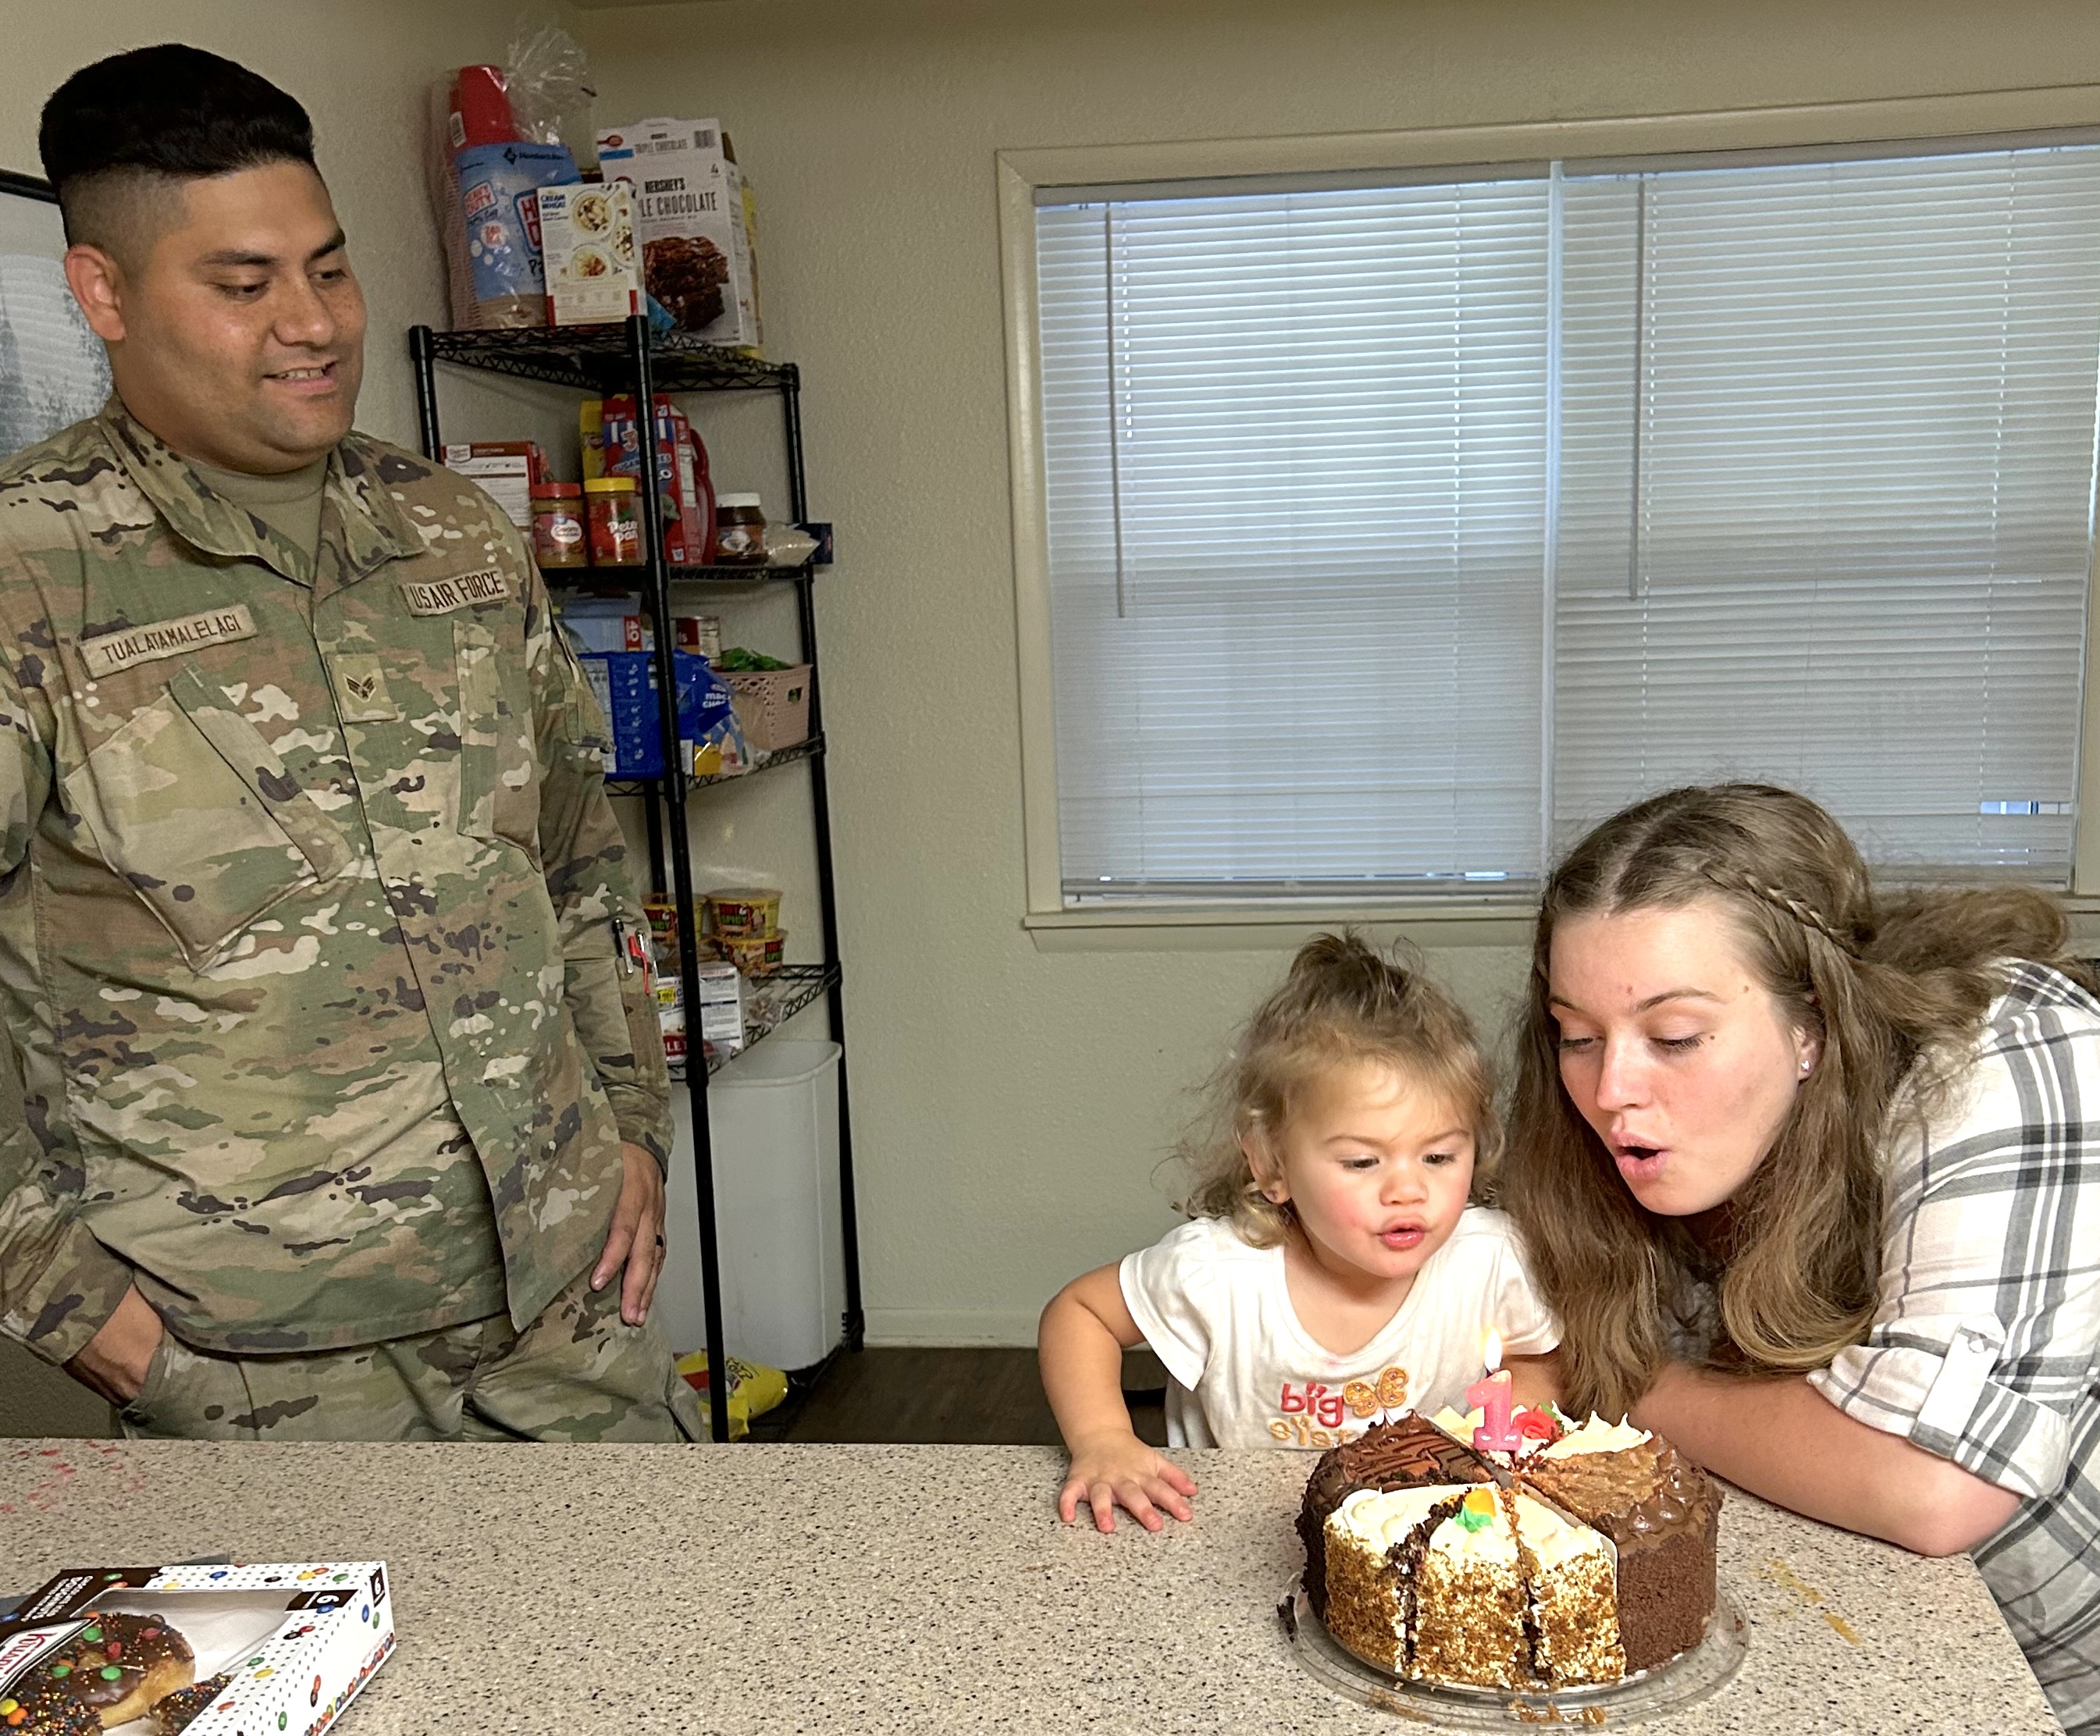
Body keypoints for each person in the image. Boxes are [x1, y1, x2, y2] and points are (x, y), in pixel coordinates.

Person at [0, 44, 703, 1443]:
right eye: (244, 284)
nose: (312, 323)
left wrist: (632, 1126)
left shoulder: (449, 531)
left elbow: (578, 858)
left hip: (570, 1298)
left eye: (329, 269)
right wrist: (73, 1304)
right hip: (262, 1364)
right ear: (104, 293)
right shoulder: (31, 570)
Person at [1501, 782, 2099, 1734]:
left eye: (1674, 1036)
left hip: (2053, 1685)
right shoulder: (1586, 1123)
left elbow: (1933, 1486)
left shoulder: (2008, 1050)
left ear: (1811, 1021)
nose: (1611, 1088)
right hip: (1836, 1648)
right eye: (1575, 1035)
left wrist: (1607, 1378)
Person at [1039, 934, 1557, 1531]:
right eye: (1363, 1162)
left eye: (1438, 1157)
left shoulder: (1490, 1261)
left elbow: (1537, 1357)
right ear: (1271, 1164)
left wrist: (1517, 1416)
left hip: (1426, 1541)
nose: (1409, 1190)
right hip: (1228, 1541)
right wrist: (1102, 1438)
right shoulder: (1218, 1274)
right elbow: (1081, 1313)